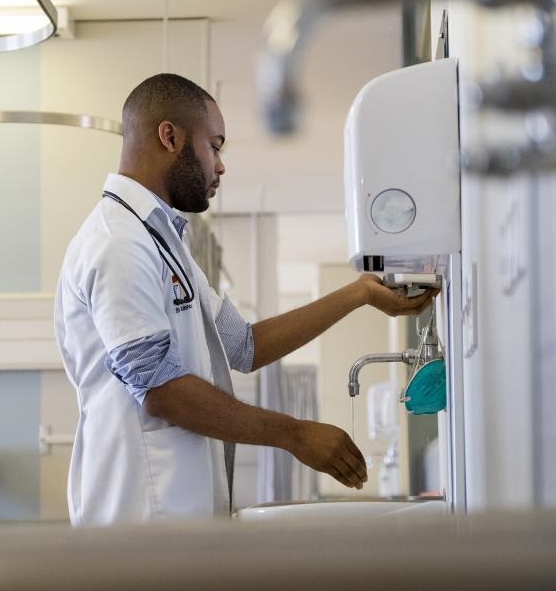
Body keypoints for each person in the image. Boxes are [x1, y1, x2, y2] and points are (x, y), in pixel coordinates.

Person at [54, 73, 436, 527]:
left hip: (176, 522)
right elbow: (162, 393)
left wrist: (358, 294)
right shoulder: (117, 242)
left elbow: (245, 346)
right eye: (214, 146)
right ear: (170, 136)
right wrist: (295, 434)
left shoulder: (163, 245)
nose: (220, 166)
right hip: (139, 525)